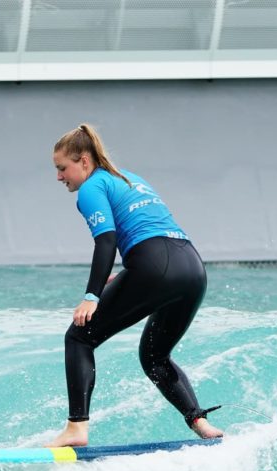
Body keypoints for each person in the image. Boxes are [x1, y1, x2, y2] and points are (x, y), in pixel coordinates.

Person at [46, 123, 223, 448]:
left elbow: (107, 240)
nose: (59, 177)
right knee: (155, 356)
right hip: (192, 267)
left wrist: (92, 296)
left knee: (79, 337)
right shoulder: (128, 178)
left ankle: (76, 428)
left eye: (62, 168)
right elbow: (147, 231)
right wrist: (131, 274)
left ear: (83, 161)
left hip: (154, 266)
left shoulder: (90, 188)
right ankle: (200, 422)